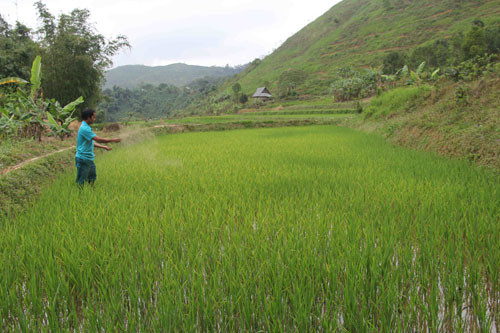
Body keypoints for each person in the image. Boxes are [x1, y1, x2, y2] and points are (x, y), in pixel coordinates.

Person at [75, 108, 121, 186]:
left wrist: (104, 147)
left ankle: (91, 193)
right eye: (93, 117)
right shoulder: (85, 128)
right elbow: (98, 139)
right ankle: (80, 196)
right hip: (83, 158)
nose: (94, 119)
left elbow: (91, 142)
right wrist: (113, 140)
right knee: (81, 181)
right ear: (88, 117)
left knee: (92, 178)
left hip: (88, 158)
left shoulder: (86, 127)